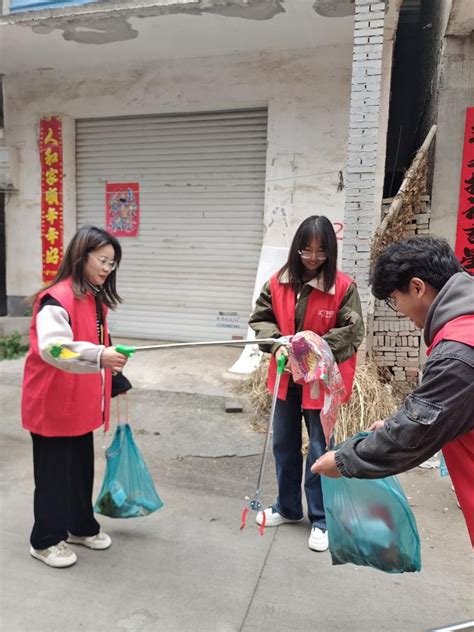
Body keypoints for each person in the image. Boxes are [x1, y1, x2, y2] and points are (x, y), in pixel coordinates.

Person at [311, 236, 474, 546]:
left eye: (394, 299)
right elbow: (446, 411)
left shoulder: (459, 352)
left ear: (417, 287)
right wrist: (395, 424)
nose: (400, 311)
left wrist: (346, 460)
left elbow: (415, 434)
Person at [249, 215, 365, 551]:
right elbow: (261, 319)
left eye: (320, 251)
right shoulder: (277, 282)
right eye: (306, 249)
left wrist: (311, 349)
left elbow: (352, 332)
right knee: (284, 445)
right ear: (296, 248)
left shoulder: (343, 288)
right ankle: (287, 507)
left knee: (319, 450)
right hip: (286, 380)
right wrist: (277, 342)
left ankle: (321, 519)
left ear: (330, 252)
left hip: (320, 385)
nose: (312, 257)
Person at [22, 226, 129, 568]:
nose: (107, 269)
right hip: (52, 402)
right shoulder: (57, 298)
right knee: (53, 475)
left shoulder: (94, 296)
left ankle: (80, 526)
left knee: (80, 470)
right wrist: (100, 356)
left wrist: (113, 370)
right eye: (102, 260)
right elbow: (55, 350)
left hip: (81, 403)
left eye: (112, 263)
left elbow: (98, 340)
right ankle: (45, 540)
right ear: (81, 256)